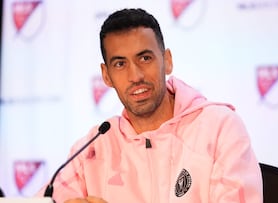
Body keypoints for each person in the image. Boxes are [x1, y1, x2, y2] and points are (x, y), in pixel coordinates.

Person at [38, 8, 263, 203]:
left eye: (145, 58)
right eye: (120, 64)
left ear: (167, 61)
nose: (135, 76)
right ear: (106, 76)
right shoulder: (95, 146)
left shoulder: (219, 128)